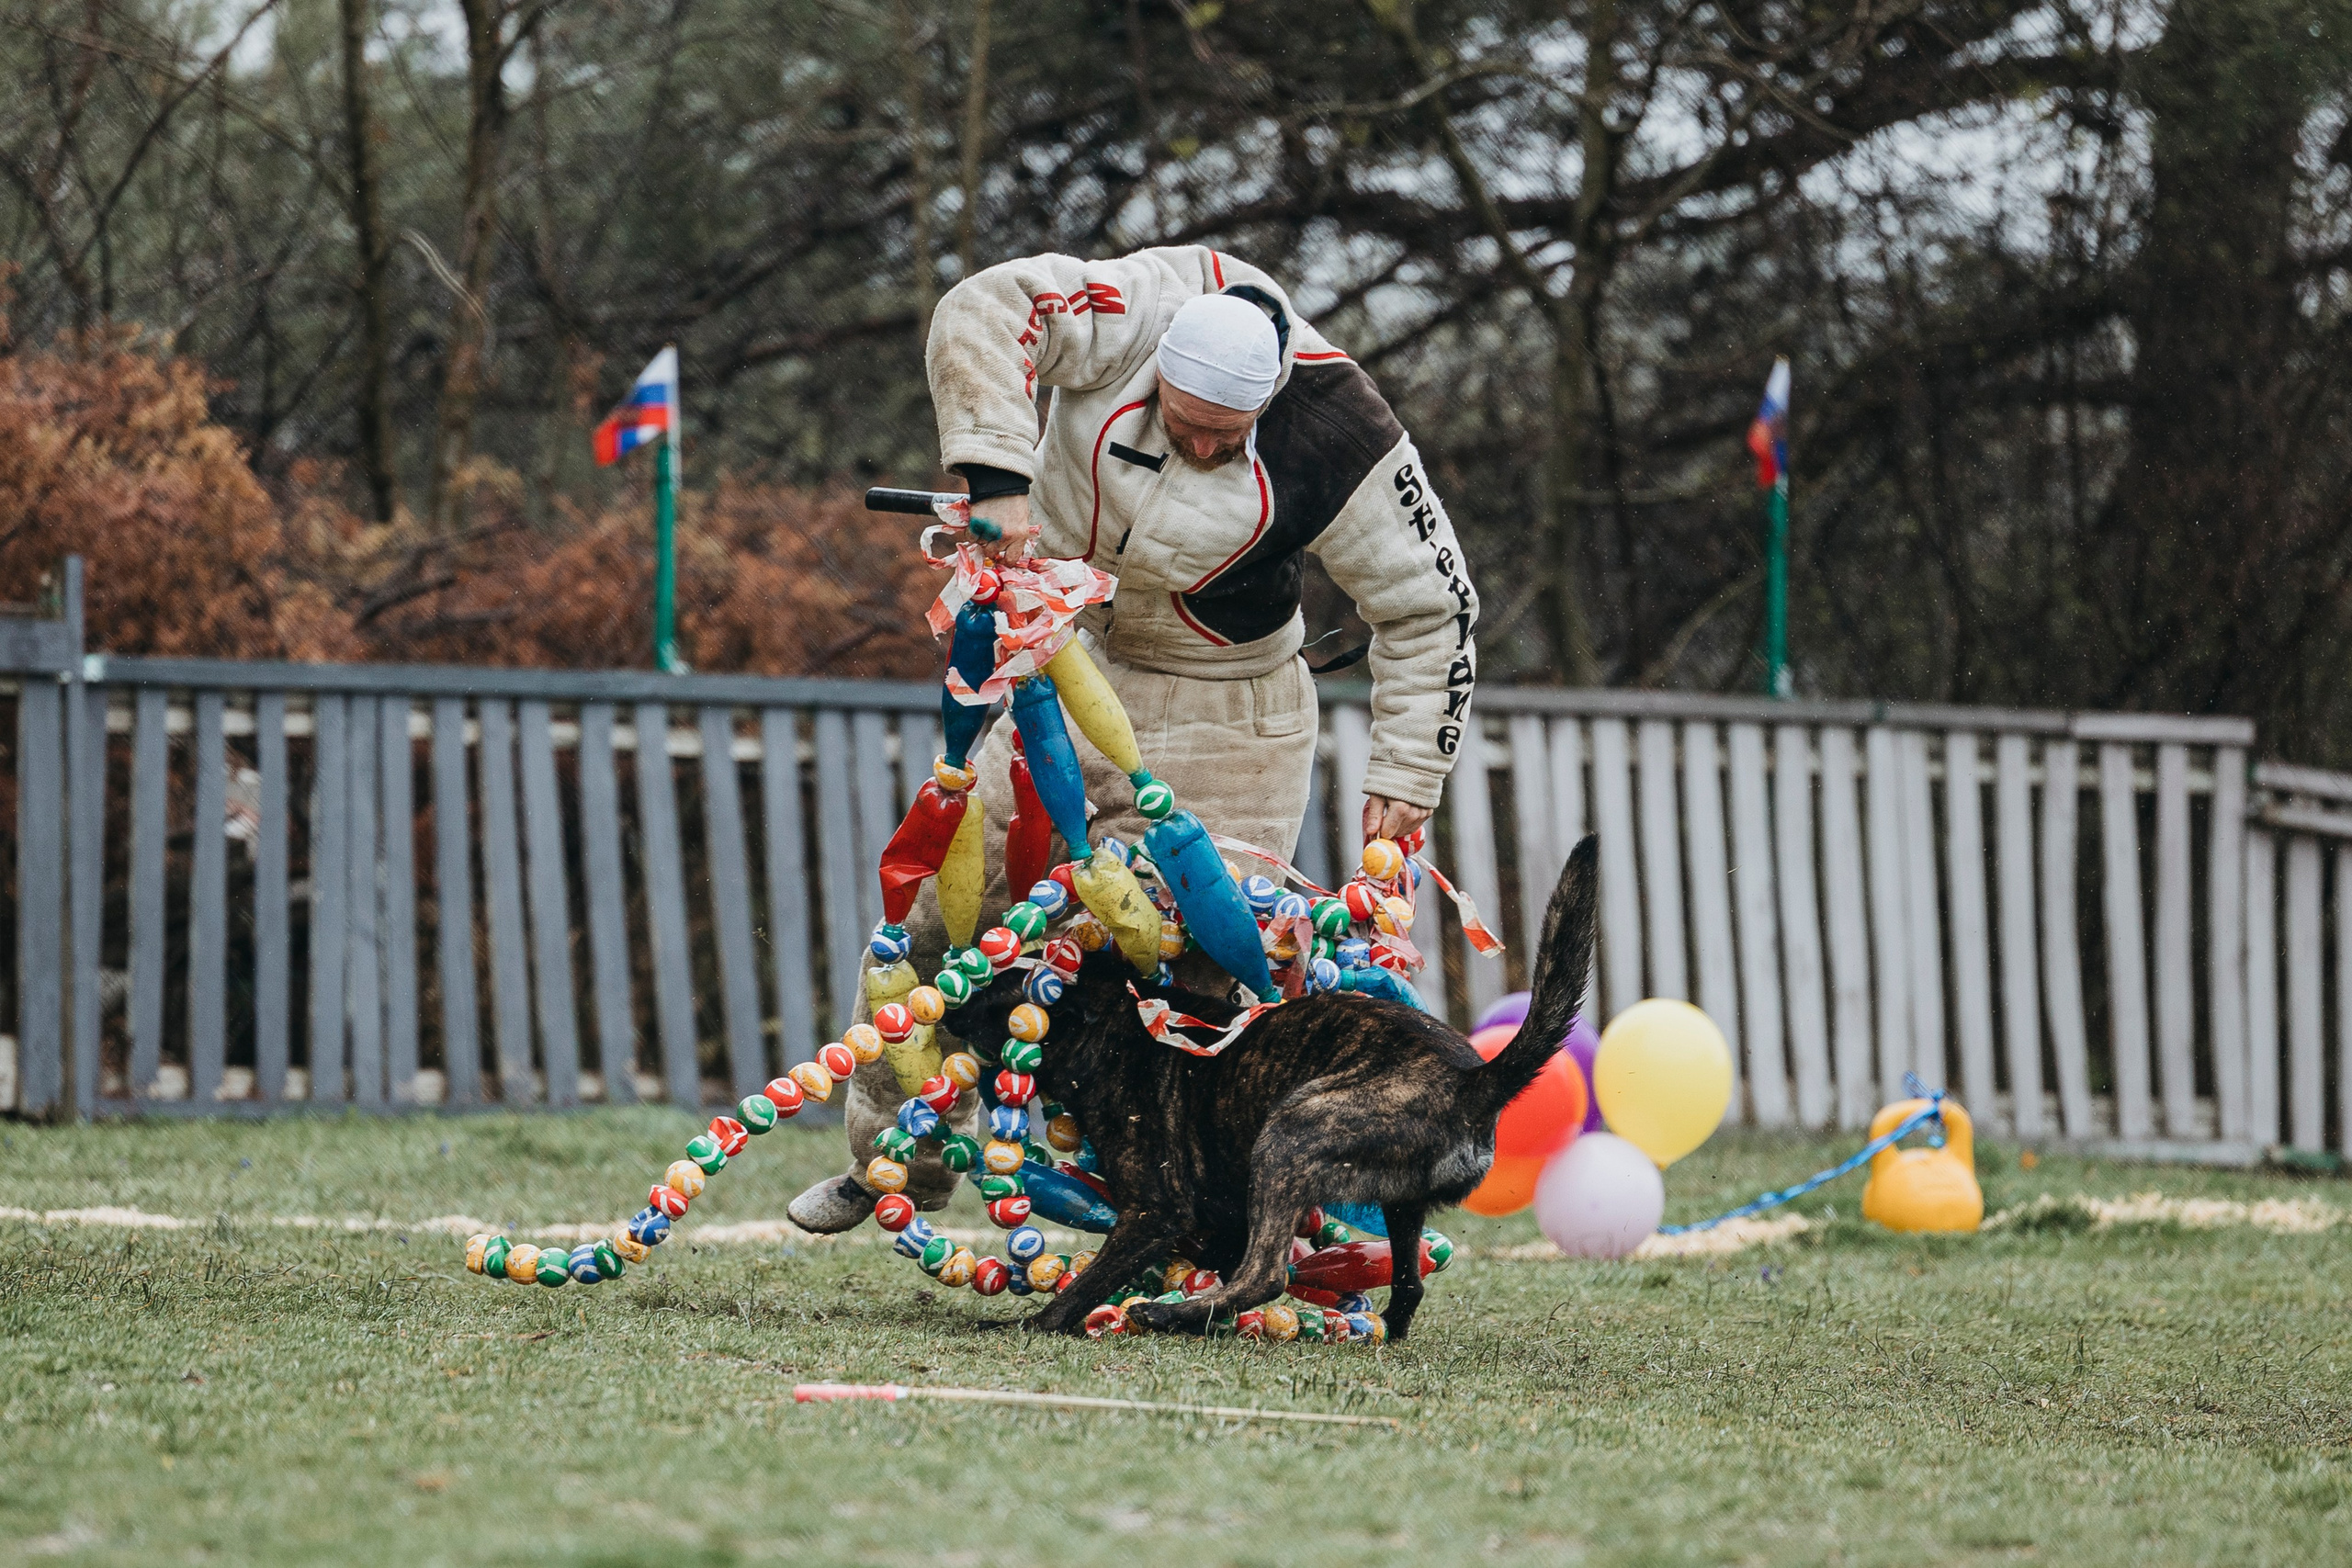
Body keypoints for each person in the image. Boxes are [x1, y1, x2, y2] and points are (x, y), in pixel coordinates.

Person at [786, 244, 1478, 1233]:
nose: (1198, 446)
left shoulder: (1343, 432)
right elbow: (982, 308)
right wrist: (997, 476)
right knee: (941, 917)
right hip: (1074, 665)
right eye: (1183, 423)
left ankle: (1181, 1227)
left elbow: (1432, 606)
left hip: (1235, 713)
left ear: (1269, 401)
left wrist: (1410, 765)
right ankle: (895, 1166)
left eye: (1223, 437)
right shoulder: (1132, 308)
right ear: (1156, 371)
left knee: (1196, 983)